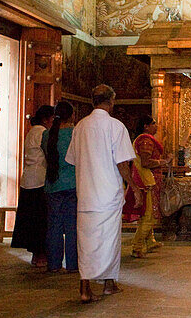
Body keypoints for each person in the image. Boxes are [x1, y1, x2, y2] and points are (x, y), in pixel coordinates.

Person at [65, 85, 140, 303]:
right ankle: (107, 284)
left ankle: (86, 286)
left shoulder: (80, 127)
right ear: (111, 102)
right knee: (109, 240)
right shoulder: (115, 126)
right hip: (107, 193)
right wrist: (133, 186)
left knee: (86, 240)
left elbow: (72, 159)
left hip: (86, 193)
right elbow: (122, 163)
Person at [11, 104, 54, 267]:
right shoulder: (43, 132)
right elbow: (49, 153)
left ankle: (37, 255)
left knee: (30, 218)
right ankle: (41, 255)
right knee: (39, 219)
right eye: (51, 119)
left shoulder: (32, 131)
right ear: (46, 119)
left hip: (28, 178)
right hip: (39, 179)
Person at [124, 115, 172, 258]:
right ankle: (137, 247)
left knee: (149, 213)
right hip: (145, 182)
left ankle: (149, 241)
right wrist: (164, 161)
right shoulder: (145, 140)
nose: (156, 126)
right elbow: (146, 163)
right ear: (146, 126)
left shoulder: (143, 139)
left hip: (145, 181)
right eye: (153, 123)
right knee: (148, 216)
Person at [43, 101, 77, 273]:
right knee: (72, 227)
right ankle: (73, 265)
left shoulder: (47, 135)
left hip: (52, 184)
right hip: (72, 184)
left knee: (54, 226)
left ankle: (54, 264)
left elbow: (48, 157)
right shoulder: (74, 133)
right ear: (72, 115)